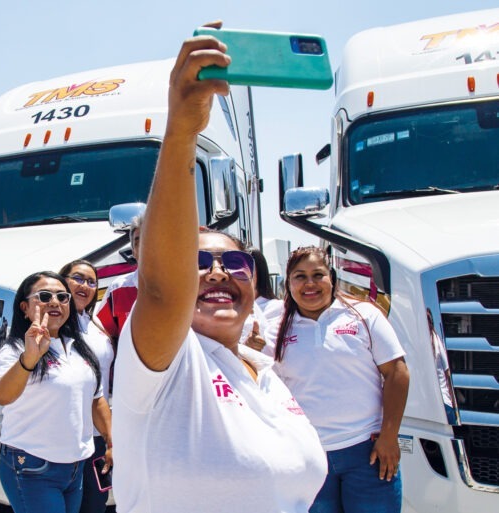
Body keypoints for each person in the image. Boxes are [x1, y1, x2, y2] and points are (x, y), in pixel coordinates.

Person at [111, 24, 327, 513]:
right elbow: (164, 292)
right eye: (197, 262)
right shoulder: (165, 366)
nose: (216, 271)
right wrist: (183, 131)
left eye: (234, 261)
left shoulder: (265, 375)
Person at [272, 246, 410, 513]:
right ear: (288, 283)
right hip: (309, 458)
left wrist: (389, 437)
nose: (310, 283)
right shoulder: (276, 329)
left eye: (318, 275)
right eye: (299, 276)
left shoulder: (364, 315)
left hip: (368, 455)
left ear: (332, 278)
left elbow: (397, 372)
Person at [0, 271, 112, 513]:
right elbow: (2, 396)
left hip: (75, 467)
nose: (55, 302)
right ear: (25, 308)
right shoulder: (15, 349)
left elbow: (96, 400)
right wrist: (29, 358)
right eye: (45, 296)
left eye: (62, 296)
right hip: (33, 467)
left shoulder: (79, 349)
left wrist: (112, 441)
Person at [59, 259, 114, 513]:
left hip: (98, 435)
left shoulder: (95, 325)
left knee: (95, 505)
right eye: (78, 278)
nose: (85, 286)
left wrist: (111, 440)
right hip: (64, 436)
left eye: (92, 282)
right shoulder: (53, 325)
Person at [96, 213, 142, 341]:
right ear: (133, 252)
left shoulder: (184, 288)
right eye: (139, 242)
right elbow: (104, 336)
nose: (146, 246)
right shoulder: (117, 289)